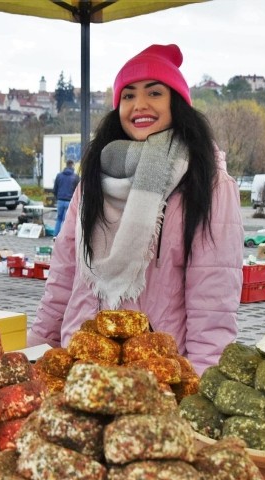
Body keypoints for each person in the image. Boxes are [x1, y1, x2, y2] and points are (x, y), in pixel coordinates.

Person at [27, 44, 244, 375]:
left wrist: (198, 382)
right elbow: (63, 276)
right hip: (80, 367)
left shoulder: (208, 184)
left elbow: (212, 302)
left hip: (155, 376)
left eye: (154, 93)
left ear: (177, 102)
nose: (139, 105)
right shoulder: (94, 180)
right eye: (128, 96)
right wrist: (38, 347)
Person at [52, 159, 79, 238]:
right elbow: (78, 190)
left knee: (59, 219)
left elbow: (55, 189)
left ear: (66, 165)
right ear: (72, 165)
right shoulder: (76, 177)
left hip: (60, 200)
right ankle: (64, 236)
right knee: (67, 220)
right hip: (70, 201)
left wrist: (58, 197)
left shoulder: (59, 175)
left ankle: (55, 235)